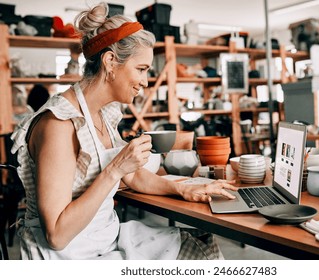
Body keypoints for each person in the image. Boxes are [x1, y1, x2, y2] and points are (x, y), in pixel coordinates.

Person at [11, 2, 237, 260]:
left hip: (103, 240)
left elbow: (133, 177)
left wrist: (183, 189)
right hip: (70, 257)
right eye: (141, 69)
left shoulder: (102, 114)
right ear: (110, 62)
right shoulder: (59, 125)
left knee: (201, 245)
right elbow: (57, 235)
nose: (145, 80)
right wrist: (115, 169)